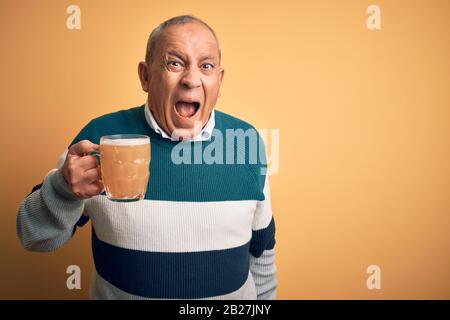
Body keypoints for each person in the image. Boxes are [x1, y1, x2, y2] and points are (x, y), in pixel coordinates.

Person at [16, 15, 276, 300]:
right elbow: (34, 237)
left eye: (206, 66)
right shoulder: (99, 137)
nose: (191, 80)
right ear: (146, 76)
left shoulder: (245, 142)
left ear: (219, 80)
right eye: (175, 63)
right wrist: (63, 189)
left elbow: (262, 252)